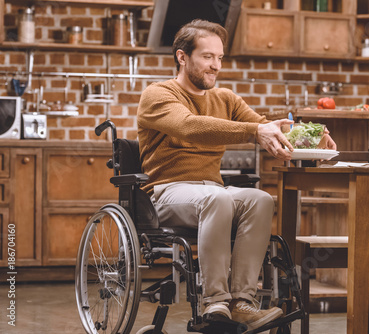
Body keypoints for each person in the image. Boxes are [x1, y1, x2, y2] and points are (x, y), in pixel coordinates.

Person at [137, 19, 336, 331]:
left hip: (210, 193)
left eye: (220, 58)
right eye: (207, 57)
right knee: (217, 198)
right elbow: (190, 125)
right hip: (165, 193)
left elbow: (267, 126)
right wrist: (253, 131)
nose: (215, 66)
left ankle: (242, 302)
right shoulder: (158, 94)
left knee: (259, 200)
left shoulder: (225, 98)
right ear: (182, 57)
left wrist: (310, 135)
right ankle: (214, 301)